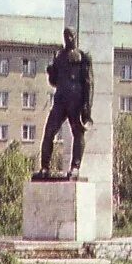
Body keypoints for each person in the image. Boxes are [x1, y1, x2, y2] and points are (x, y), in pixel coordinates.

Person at [39, 27, 93, 179]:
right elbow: (55, 81)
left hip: (76, 101)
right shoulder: (59, 57)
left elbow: (89, 82)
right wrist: (51, 72)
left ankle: (75, 167)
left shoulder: (83, 57)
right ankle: (45, 168)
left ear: (75, 37)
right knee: (49, 132)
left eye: (70, 36)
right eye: (65, 36)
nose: (68, 39)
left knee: (78, 133)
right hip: (60, 100)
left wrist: (87, 106)